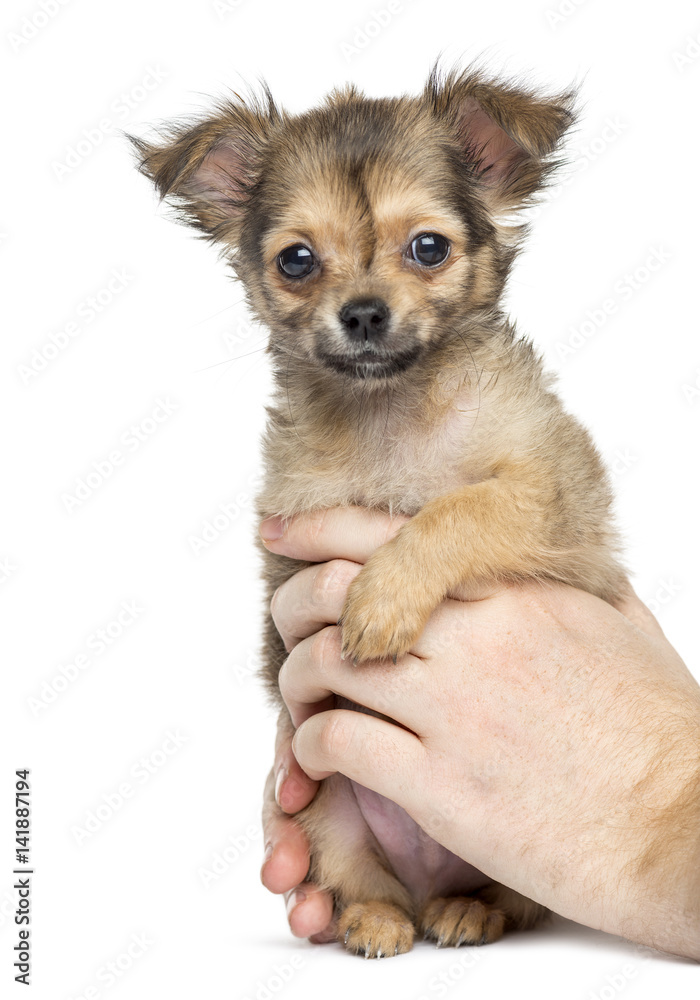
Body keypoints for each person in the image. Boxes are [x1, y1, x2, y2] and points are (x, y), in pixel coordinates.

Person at [258, 507, 700, 961]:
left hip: (506, 871)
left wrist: (664, 798)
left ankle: (473, 896)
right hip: (363, 829)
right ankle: (373, 896)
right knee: (323, 760)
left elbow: (556, 517)